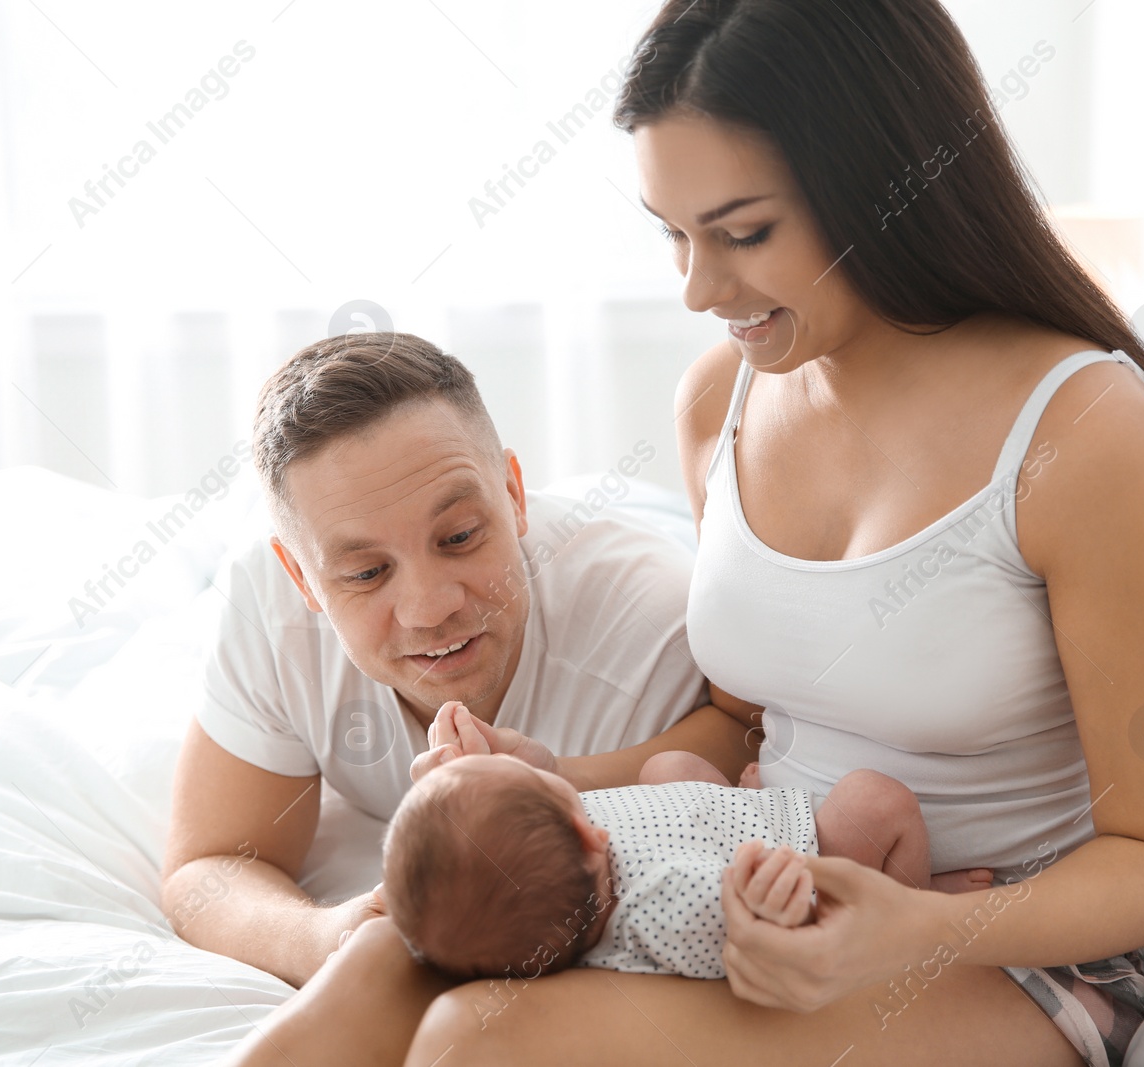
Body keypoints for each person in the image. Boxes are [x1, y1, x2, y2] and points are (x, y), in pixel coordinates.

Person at [224, 1, 1144, 1065]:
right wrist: (555, 780)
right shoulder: (723, 400)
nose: (699, 289)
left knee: (482, 1038)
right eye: (673, 234)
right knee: (385, 954)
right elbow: (741, 722)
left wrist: (912, 924)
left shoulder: (1085, 431)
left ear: (883, 185)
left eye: (742, 234)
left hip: (1002, 946)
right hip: (748, 884)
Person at [161, 330, 760, 991]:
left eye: (458, 537)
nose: (429, 607)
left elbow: (745, 733)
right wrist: (327, 937)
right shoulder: (266, 610)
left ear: (513, 493)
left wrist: (554, 778)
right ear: (302, 578)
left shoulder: (655, 613)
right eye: (365, 573)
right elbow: (207, 865)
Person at [382, 703, 996, 984]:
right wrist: (780, 895)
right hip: (817, 862)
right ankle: (911, 898)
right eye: (534, 780)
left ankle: (741, 802)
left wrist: (523, 768)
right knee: (875, 801)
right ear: (585, 833)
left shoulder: (560, 853)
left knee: (666, 768)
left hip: (719, 823)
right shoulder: (673, 904)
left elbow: (554, 800)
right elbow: (768, 933)